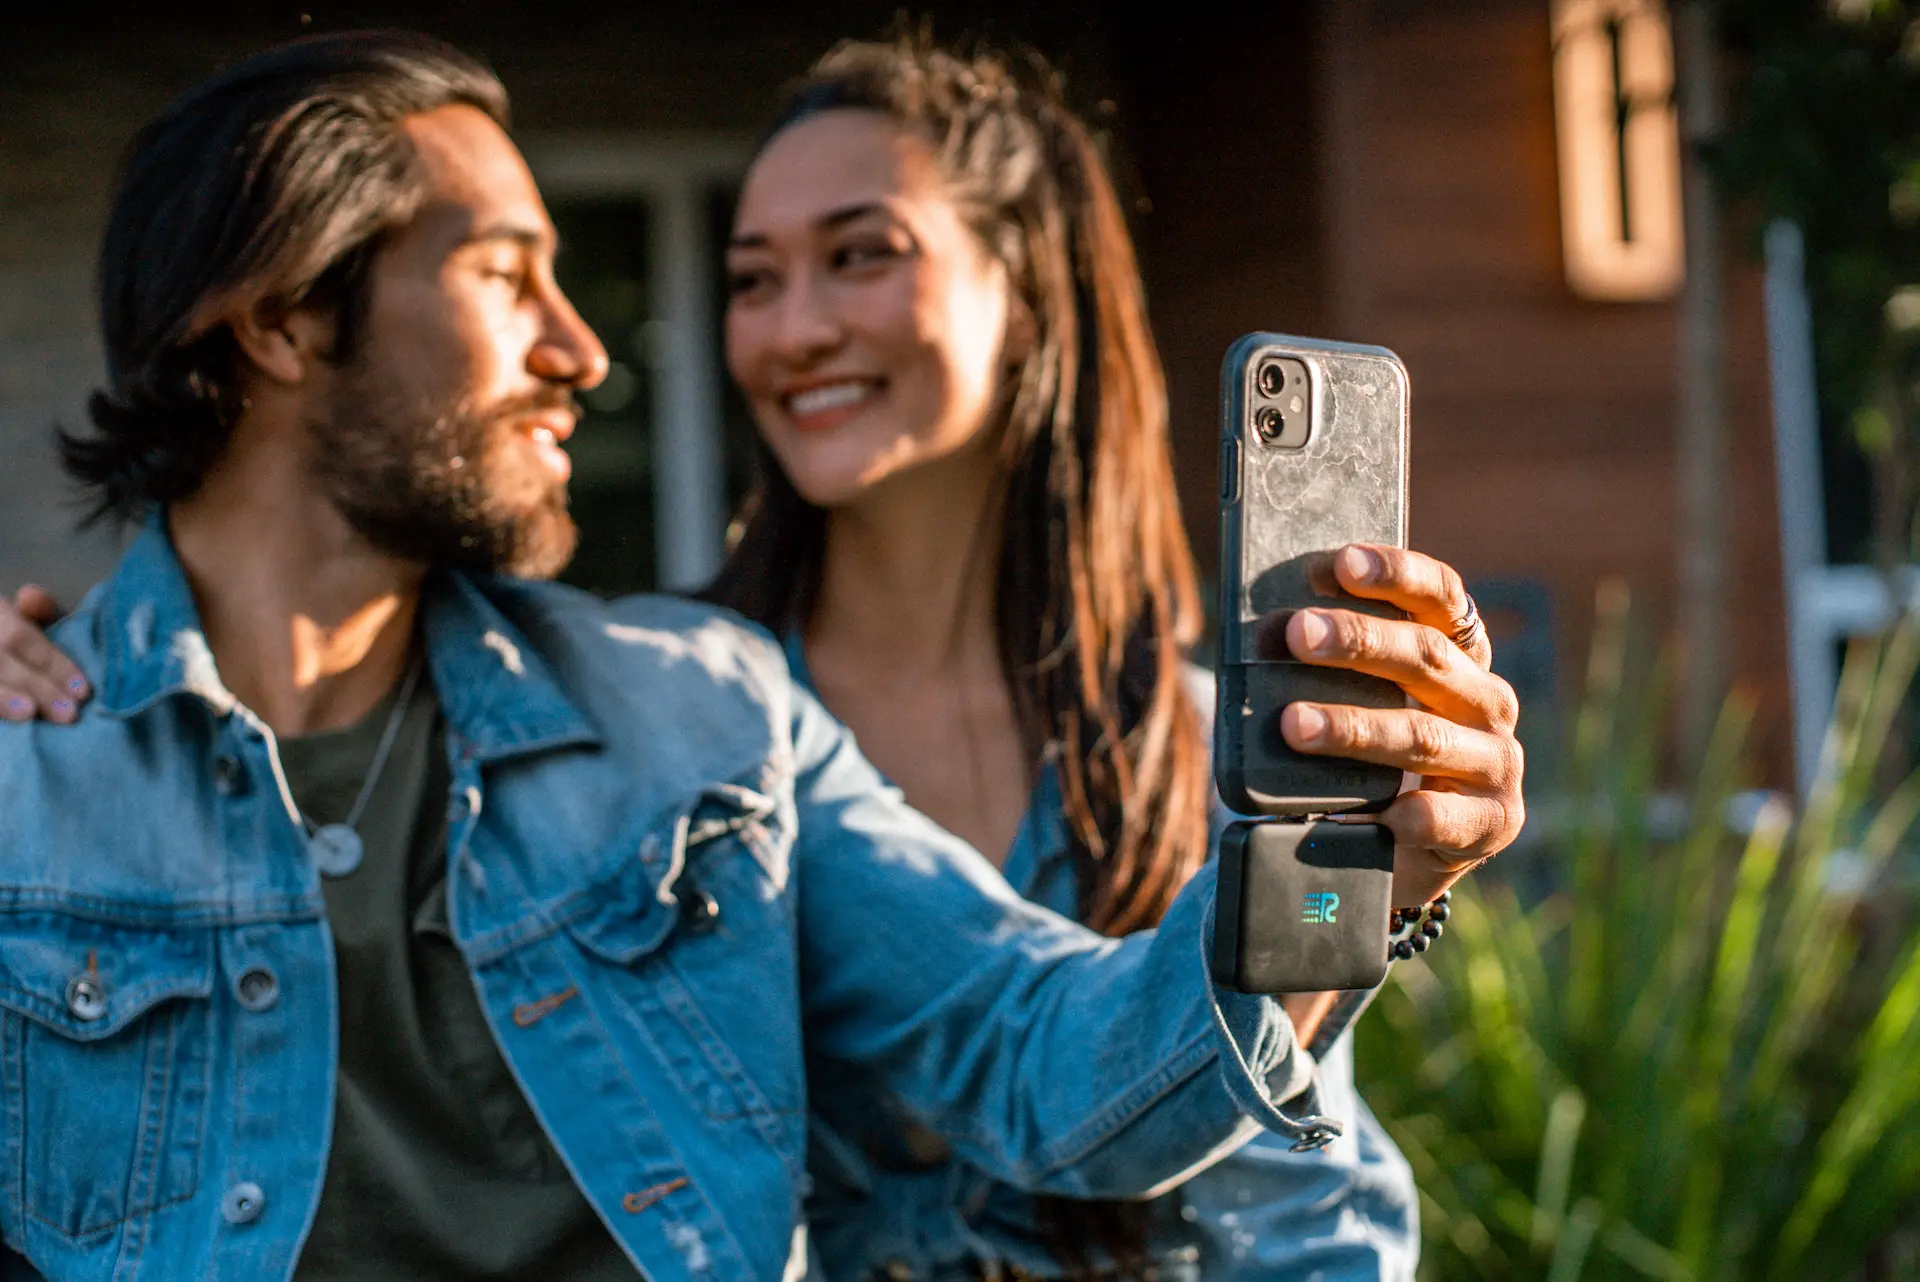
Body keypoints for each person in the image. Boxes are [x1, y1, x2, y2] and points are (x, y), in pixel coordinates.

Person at [0, 28, 1524, 1282]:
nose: (584, 350)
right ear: (281, 322)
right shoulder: (24, 772)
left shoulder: (699, 711)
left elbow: (1054, 1067)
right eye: (506, 276)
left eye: (859, 256)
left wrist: (1355, 861)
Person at [699, 37, 1517, 1280]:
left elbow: (1295, 1207)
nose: (794, 328)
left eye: (861, 255)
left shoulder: (1208, 753)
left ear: (1026, 295)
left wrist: (1380, 882)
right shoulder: (688, 725)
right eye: (753, 280)